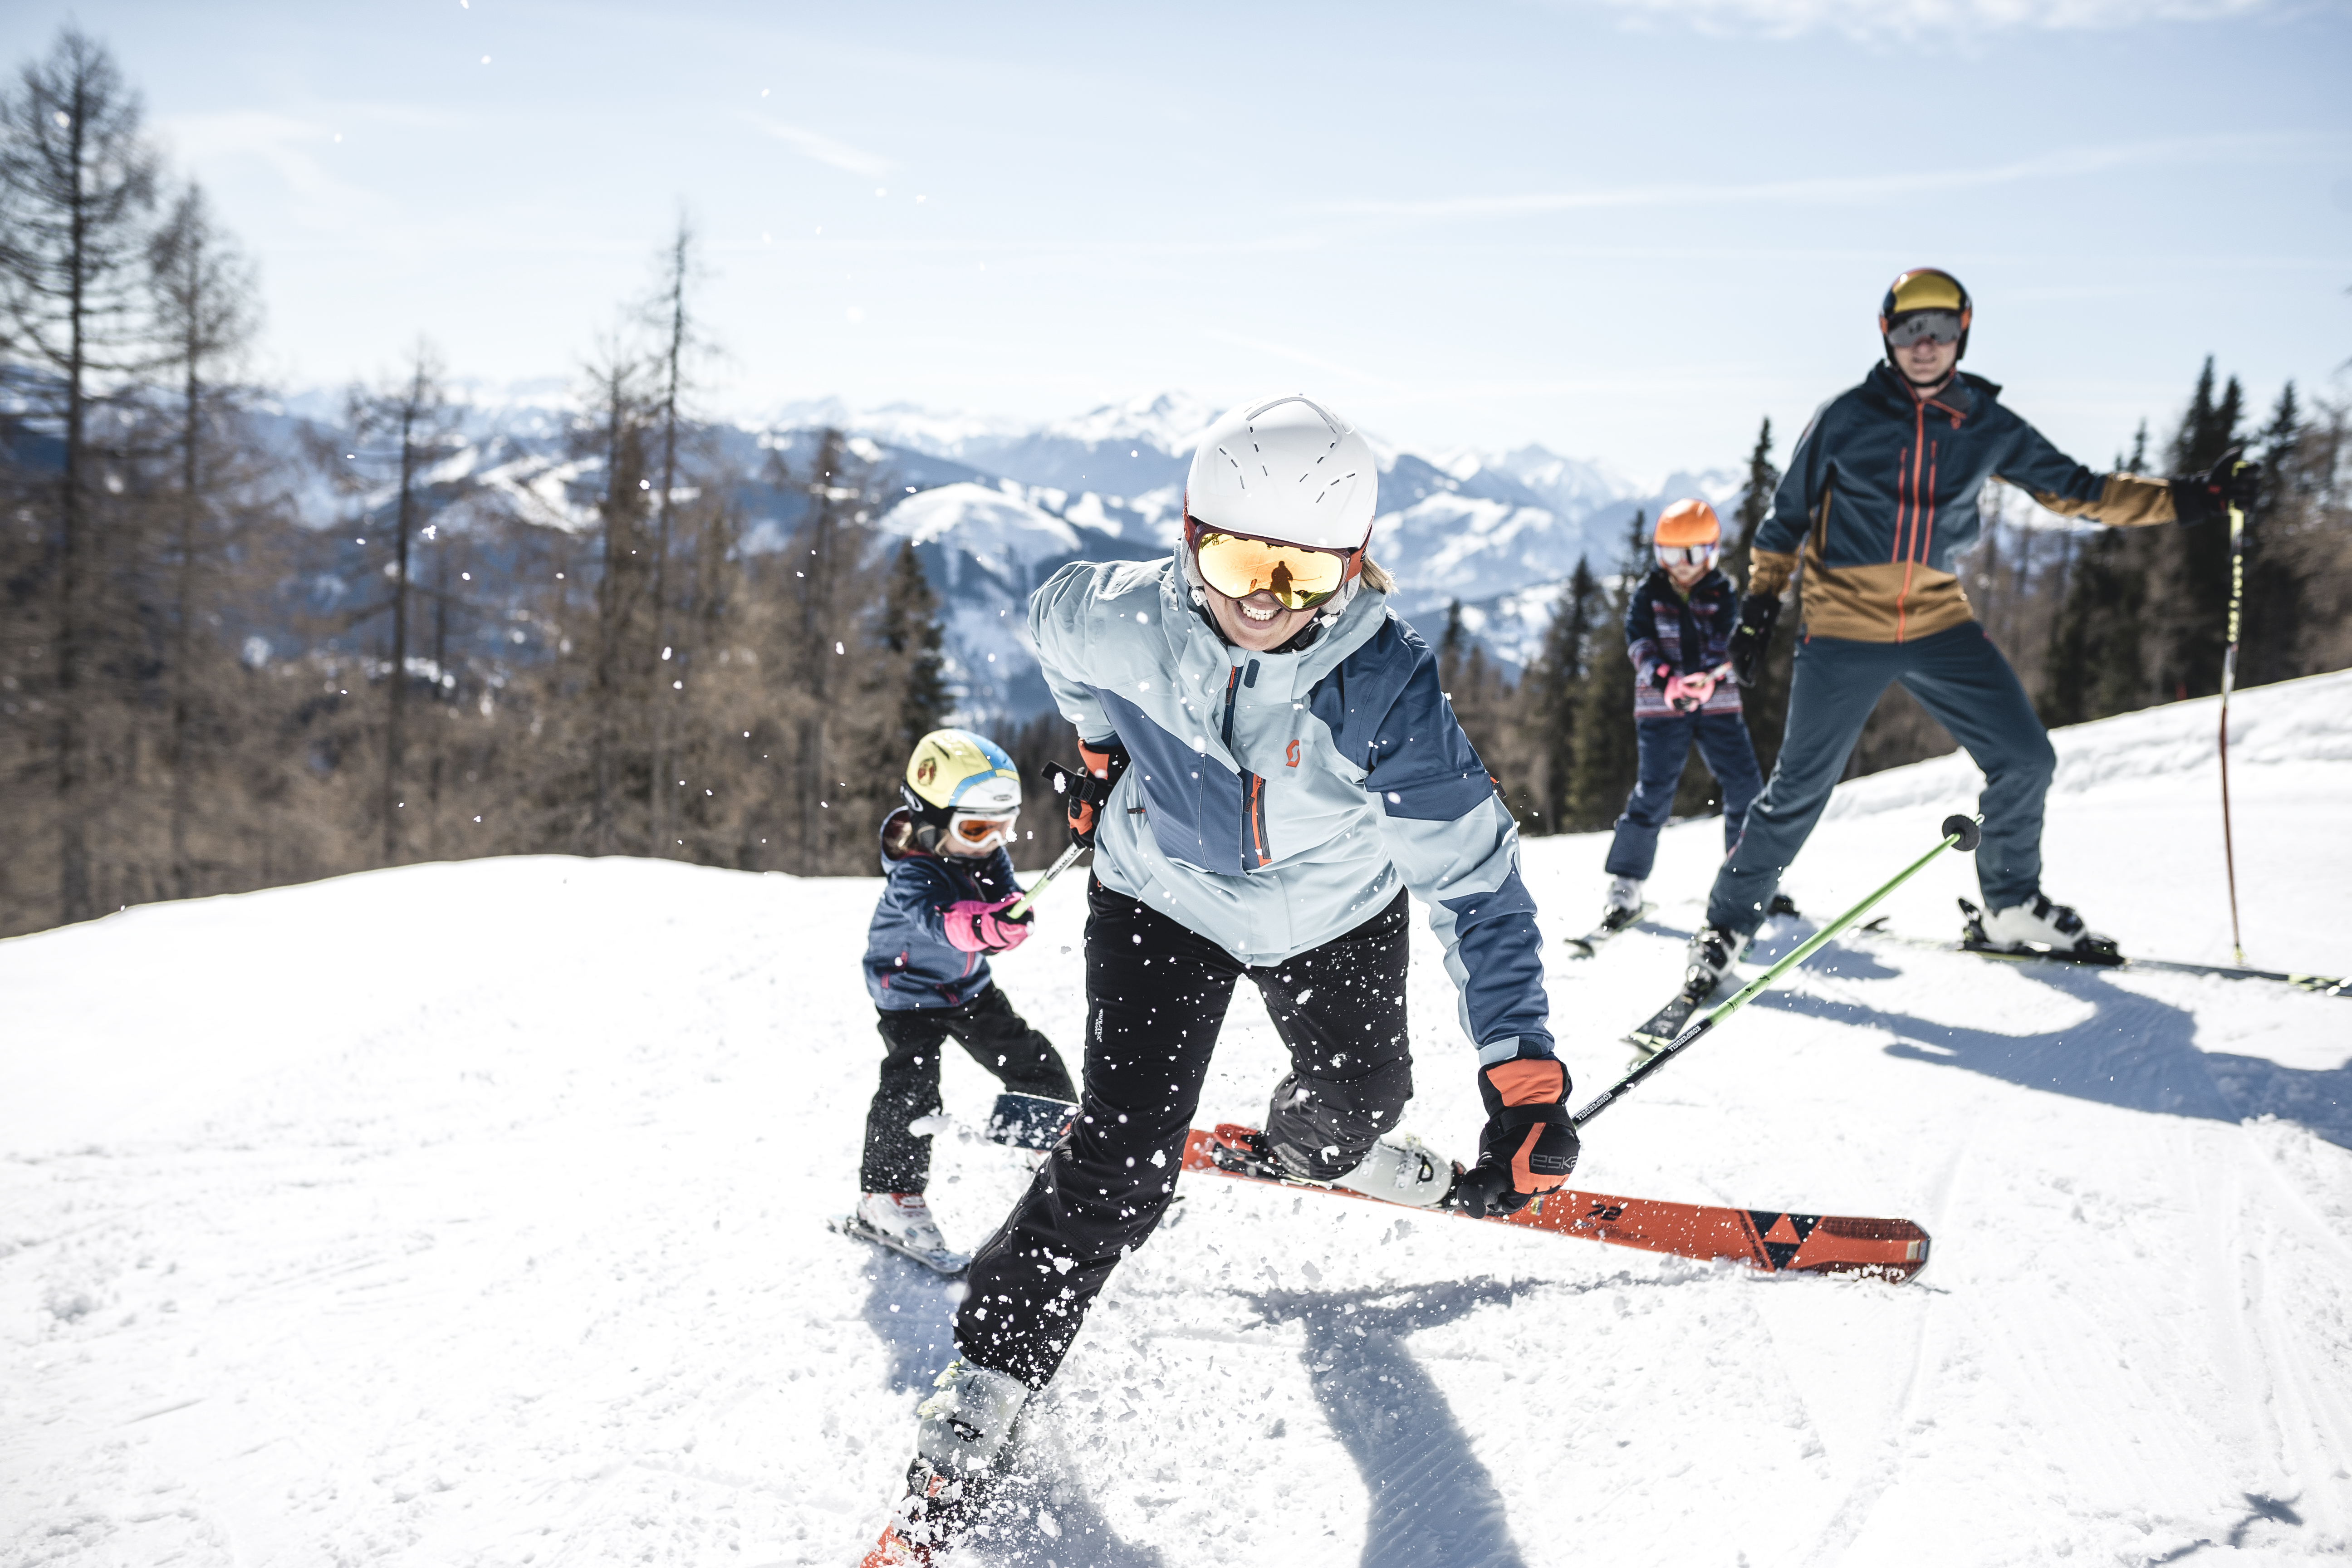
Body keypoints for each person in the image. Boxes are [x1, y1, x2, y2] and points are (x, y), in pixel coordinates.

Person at [867, 395, 1574, 1558]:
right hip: (1160, 899)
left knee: (1355, 1108)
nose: (1263, 599)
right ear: (1190, 535)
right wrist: (1097, 747)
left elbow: (1475, 881)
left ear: (1353, 569)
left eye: (1303, 577)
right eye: (1241, 560)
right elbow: (1051, 631)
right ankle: (991, 1368)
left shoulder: (1380, 688)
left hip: (1332, 916)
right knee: (1119, 1157)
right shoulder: (1116, 617)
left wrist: (1523, 1063)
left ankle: (1327, 1148)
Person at [1684, 267, 2259, 991]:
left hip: (1937, 620)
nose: (1925, 345)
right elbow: (1786, 517)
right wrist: (1762, 606)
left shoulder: (1985, 424)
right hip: (1843, 626)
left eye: (1941, 329)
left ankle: (2011, 907)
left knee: (2026, 759)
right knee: (1799, 790)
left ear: (1964, 332)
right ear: (1886, 334)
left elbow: (2079, 490)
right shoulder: (1847, 416)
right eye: (1908, 329)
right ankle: (1729, 920)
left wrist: (2194, 498)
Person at [846, 728, 1078, 1274]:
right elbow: (947, 923)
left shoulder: (982, 850)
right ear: (929, 820)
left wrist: (1011, 916)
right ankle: (886, 1197)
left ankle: (1060, 1154)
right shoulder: (912, 873)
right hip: (907, 994)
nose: (992, 842)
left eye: (1004, 828)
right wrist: (989, 928)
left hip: (967, 986)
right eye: (977, 828)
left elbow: (1002, 899)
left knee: (1031, 1060)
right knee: (912, 1085)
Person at [1594, 498, 1764, 934]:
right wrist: (1668, 680)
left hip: (1719, 704)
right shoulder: (1649, 594)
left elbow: (1727, 640)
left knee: (1745, 786)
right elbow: (1640, 644)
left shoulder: (1722, 591)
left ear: (1710, 551)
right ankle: (1626, 884)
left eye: (1690, 555)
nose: (1681, 566)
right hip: (1661, 706)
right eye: (1670, 554)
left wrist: (1709, 677)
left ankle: (1749, 881)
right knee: (1654, 792)